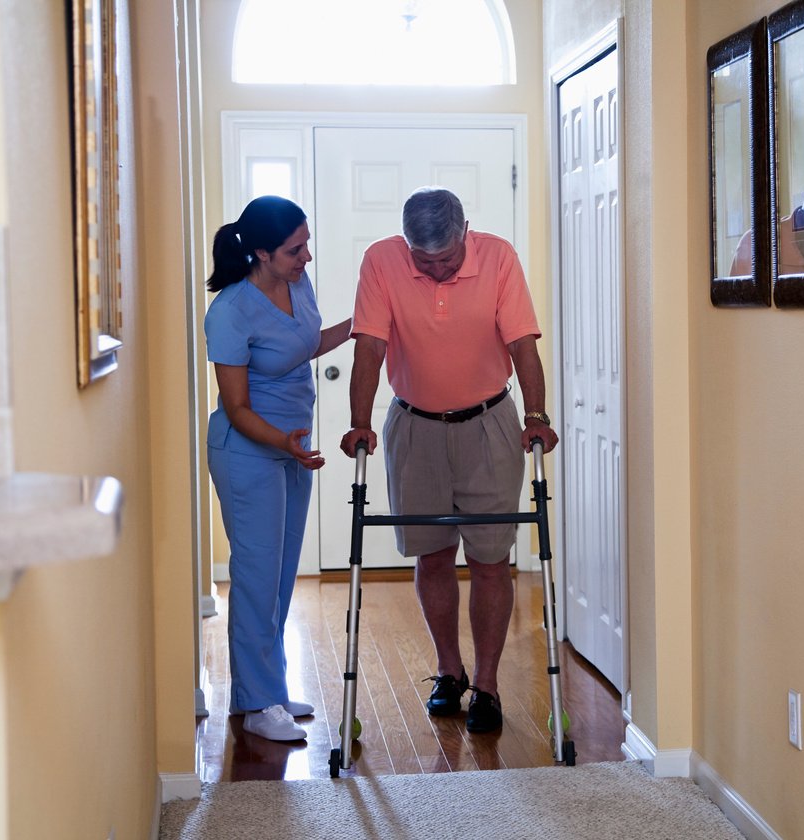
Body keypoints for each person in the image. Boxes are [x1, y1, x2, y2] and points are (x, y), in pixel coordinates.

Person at [340, 187, 558, 734]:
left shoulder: (499, 257)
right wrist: (360, 421)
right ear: (407, 244)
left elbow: (523, 345)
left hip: (489, 424)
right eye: (424, 260)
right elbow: (368, 345)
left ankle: (486, 683)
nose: (436, 270)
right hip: (414, 425)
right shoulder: (382, 261)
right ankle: (449, 671)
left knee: (489, 559)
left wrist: (537, 414)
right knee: (431, 555)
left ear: (466, 233)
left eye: (447, 259)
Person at [204, 195, 352, 742]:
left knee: (281, 576)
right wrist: (285, 444)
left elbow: (304, 344)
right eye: (295, 249)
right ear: (262, 252)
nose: (306, 256)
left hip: (293, 447)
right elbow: (237, 408)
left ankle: (264, 691)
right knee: (255, 578)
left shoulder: (296, 285)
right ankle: (259, 702)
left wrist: (362, 325)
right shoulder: (230, 310)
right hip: (249, 452)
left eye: (307, 243)